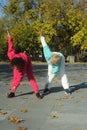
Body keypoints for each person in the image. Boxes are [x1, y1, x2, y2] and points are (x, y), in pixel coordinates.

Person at [6, 31, 42, 99]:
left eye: (16, 68)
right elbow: (11, 47)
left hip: (27, 62)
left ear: (19, 67)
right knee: (14, 77)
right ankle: (12, 93)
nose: (15, 69)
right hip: (18, 61)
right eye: (14, 67)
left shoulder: (22, 67)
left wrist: (14, 86)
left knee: (30, 77)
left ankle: (37, 92)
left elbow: (19, 80)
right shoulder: (12, 56)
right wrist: (9, 37)